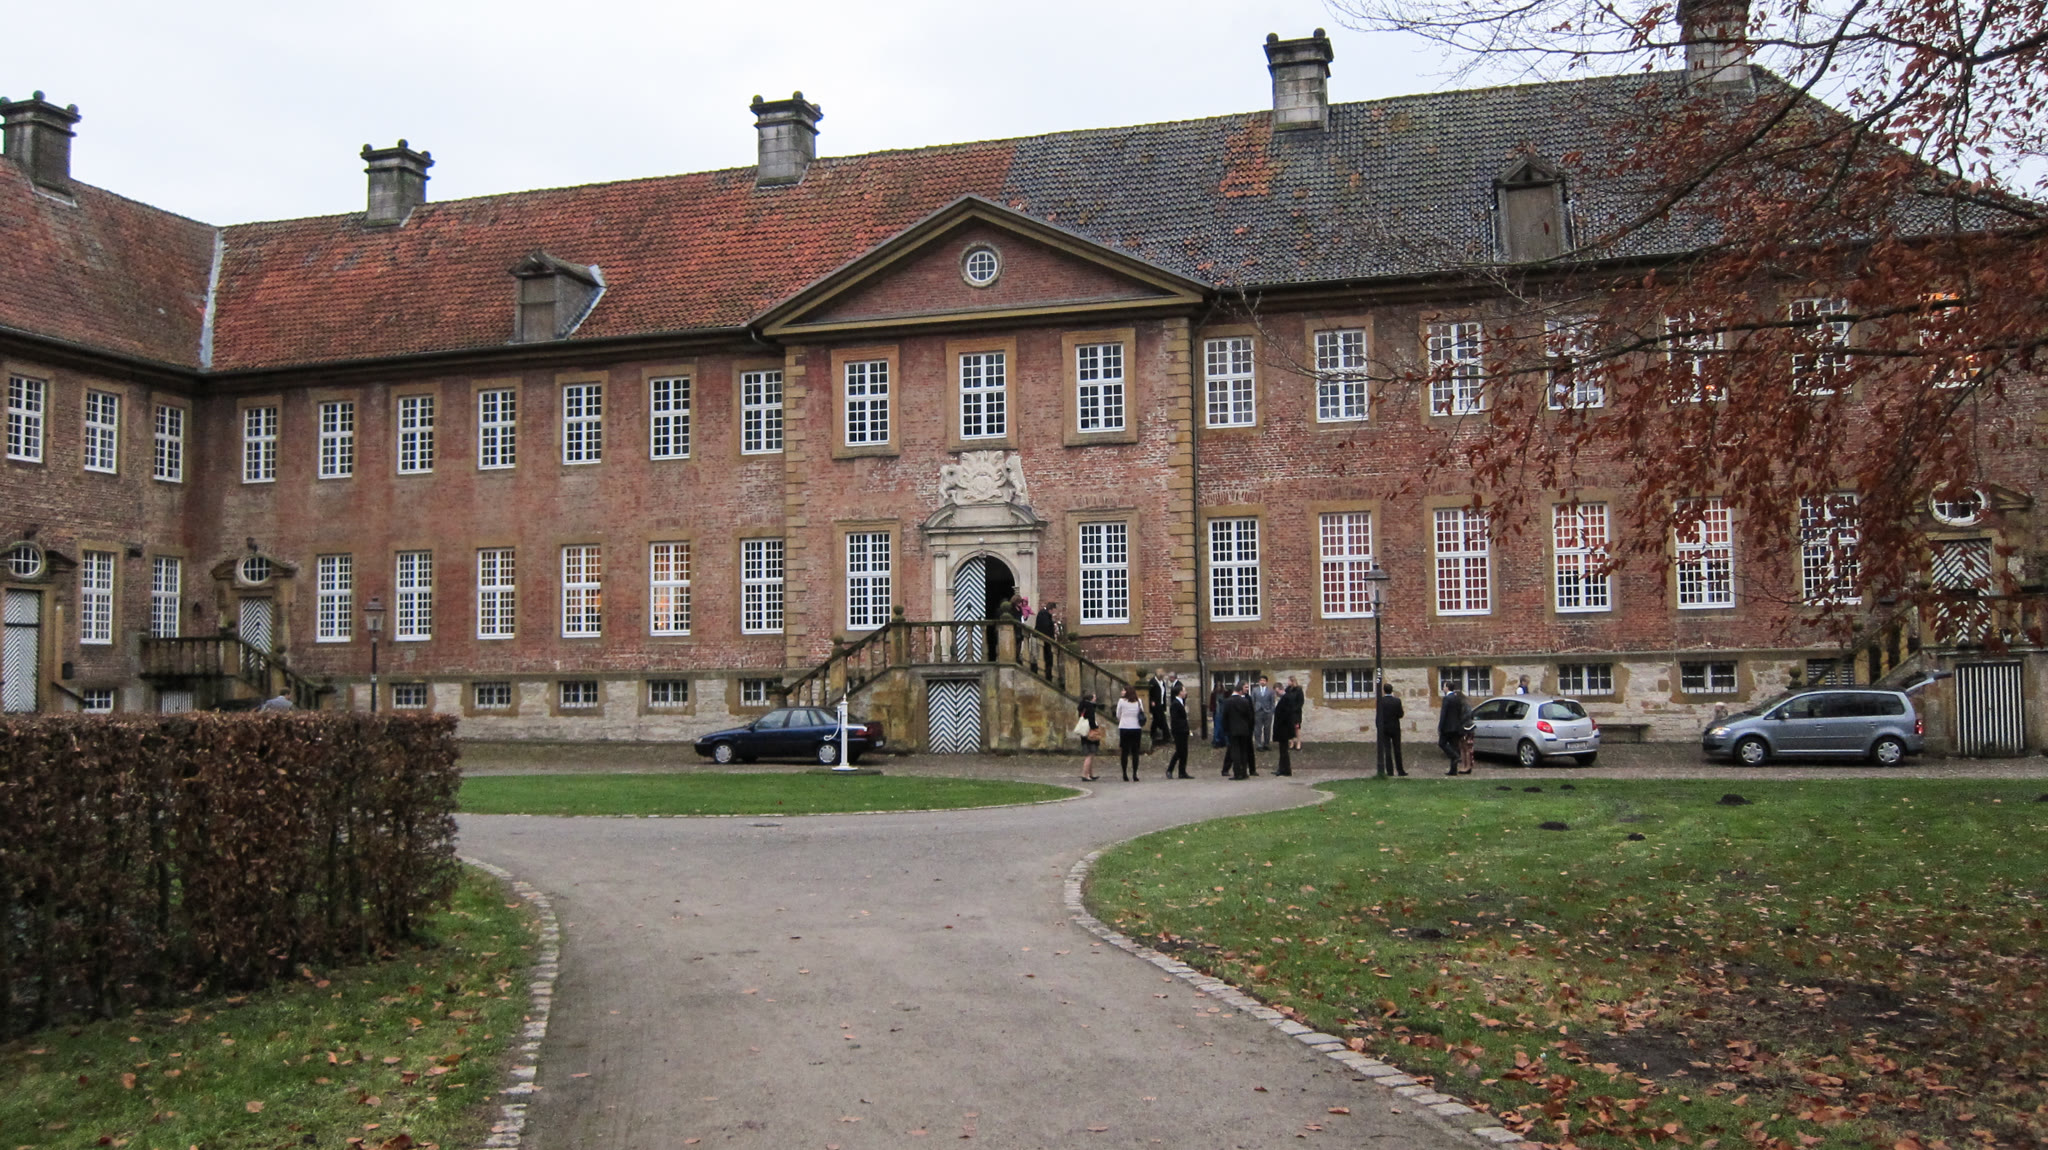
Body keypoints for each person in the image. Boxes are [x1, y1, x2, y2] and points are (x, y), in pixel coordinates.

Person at [1222, 682, 1258, 779]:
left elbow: (1225, 717)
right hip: (1244, 729)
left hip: (1233, 730)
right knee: (1243, 751)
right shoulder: (1245, 701)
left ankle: (1237, 773)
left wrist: (1226, 729)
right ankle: (1244, 772)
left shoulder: (1228, 701)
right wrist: (1248, 727)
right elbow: (1249, 716)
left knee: (1235, 751)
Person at [1114, 685, 1147, 782]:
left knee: (1125, 751)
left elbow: (1118, 714)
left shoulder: (1121, 701)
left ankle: (1124, 773)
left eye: (1123, 690)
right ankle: (1134, 773)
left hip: (1124, 727)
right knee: (1135, 752)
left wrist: (1122, 719)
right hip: (1136, 727)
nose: (1122, 692)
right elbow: (1142, 712)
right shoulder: (1138, 701)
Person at [1438, 686, 1473, 776]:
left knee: (1442, 743)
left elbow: (1444, 714)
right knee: (1455, 747)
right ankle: (1453, 769)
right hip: (1457, 728)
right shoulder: (1457, 701)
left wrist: (1440, 727)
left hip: (1451, 727)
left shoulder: (1448, 699)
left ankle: (1456, 757)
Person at [1273, 676, 1304, 776]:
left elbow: (1285, 714)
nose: (1276, 694)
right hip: (1283, 728)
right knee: (1283, 751)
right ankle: (1283, 769)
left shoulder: (1286, 698)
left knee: (1283, 751)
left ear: (1279, 689)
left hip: (1283, 728)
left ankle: (1284, 769)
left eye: (1276, 691)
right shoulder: (1286, 697)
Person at [1375, 683, 1406, 777]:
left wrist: (1378, 726)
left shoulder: (1381, 701)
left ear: (1384, 691)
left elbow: (1378, 715)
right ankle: (1400, 770)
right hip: (1395, 727)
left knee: (1387, 750)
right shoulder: (1397, 701)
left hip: (1384, 727)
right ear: (1392, 690)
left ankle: (1390, 771)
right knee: (1397, 749)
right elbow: (1400, 714)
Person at [1165, 681, 1191, 778]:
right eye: (1184, 691)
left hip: (1183, 730)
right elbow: (1175, 719)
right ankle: (1170, 770)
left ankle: (1182, 771)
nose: (1185, 692)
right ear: (1180, 692)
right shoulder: (1175, 704)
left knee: (1184, 751)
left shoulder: (1181, 702)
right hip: (1179, 731)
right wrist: (1182, 727)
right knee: (1179, 751)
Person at [1076, 692, 1101, 781]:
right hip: (1090, 732)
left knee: (1090, 754)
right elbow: (1091, 720)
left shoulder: (1082, 706)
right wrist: (1095, 728)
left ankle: (1090, 774)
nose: (1095, 698)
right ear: (1090, 698)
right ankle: (1085, 774)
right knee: (1090, 754)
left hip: (1084, 732)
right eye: (1094, 697)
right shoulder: (1090, 706)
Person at [1034, 600, 1060, 680]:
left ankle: (1048, 675)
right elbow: (1045, 627)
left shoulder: (1044, 613)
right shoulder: (1044, 614)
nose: (1053, 613)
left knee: (1048, 658)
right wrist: (1052, 626)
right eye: (1053, 611)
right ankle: (1047, 676)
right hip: (1045, 640)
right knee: (1047, 658)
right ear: (1051, 609)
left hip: (1046, 640)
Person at [1251, 676, 1278, 750]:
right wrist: (1253, 710)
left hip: (1267, 712)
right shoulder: (1255, 690)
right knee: (1257, 729)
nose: (1262, 682)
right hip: (1257, 711)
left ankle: (1266, 744)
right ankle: (1259, 744)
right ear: (1259, 681)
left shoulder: (1271, 691)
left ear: (1266, 682)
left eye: (1264, 680)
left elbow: (1273, 702)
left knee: (1267, 729)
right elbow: (1252, 701)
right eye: (1261, 680)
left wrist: (1271, 711)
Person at [1146, 668, 1169, 747]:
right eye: (1160, 677)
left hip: (1161, 704)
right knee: (1161, 719)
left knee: (1157, 720)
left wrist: (1164, 705)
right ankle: (1167, 736)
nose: (1161, 678)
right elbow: (1149, 693)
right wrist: (1151, 701)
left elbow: (1163, 694)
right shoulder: (1152, 682)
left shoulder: (1162, 683)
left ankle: (1153, 734)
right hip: (1155, 704)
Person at [1208, 679, 1230, 748]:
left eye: (1220, 686)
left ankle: (1225, 741)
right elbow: (1211, 704)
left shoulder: (1225, 693)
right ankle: (1217, 741)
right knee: (1217, 727)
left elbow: (1229, 698)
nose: (1218, 687)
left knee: (1224, 727)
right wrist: (1213, 709)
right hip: (1217, 712)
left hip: (1224, 712)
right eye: (1217, 686)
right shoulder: (1213, 694)